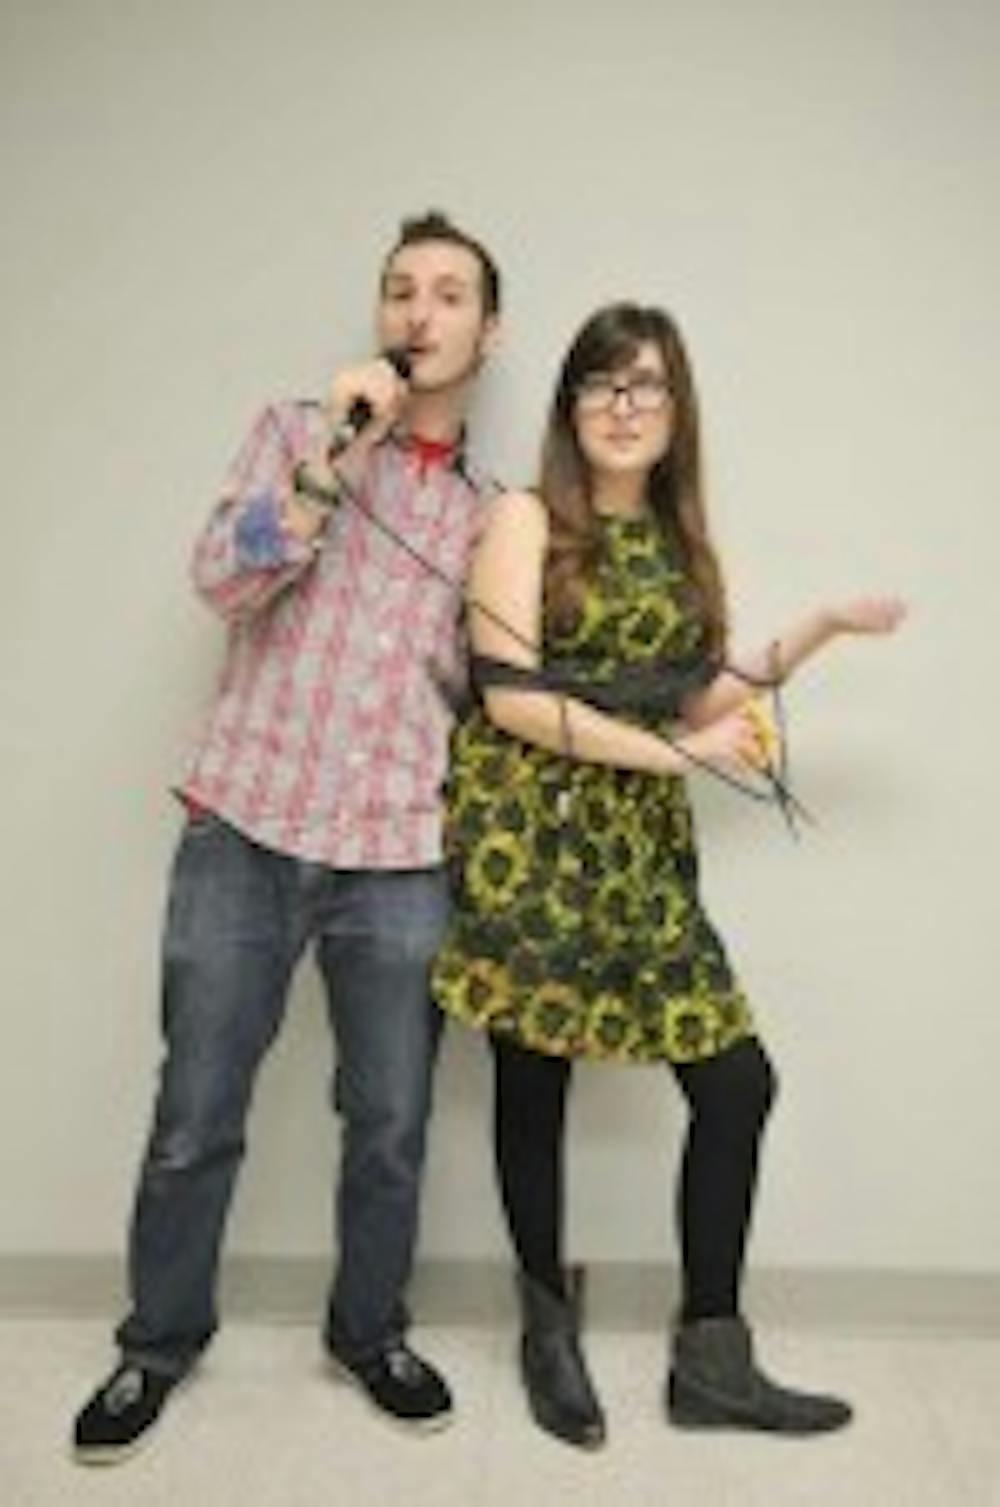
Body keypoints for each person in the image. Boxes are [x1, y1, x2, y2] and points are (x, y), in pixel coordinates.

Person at [432, 301, 905, 1449]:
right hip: (530, 831)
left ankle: (712, 1361)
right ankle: (547, 1329)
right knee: (534, 1080)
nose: (622, 405)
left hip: (639, 845)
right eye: (600, 383)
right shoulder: (522, 518)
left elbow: (697, 699)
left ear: (677, 407)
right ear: (569, 406)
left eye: (645, 384)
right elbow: (510, 695)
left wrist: (820, 628)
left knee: (735, 1083)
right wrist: (676, 758)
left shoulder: (684, 544)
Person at [72, 211, 502, 1464]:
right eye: (401, 289)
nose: (419, 311)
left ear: (488, 332)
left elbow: (491, 685)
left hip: (399, 850)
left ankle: (370, 1334)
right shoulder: (294, 432)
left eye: (450, 294)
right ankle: (157, 1344)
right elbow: (222, 579)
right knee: (195, 1112)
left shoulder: (490, 511)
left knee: (391, 1120)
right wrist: (331, 457)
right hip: (246, 825)